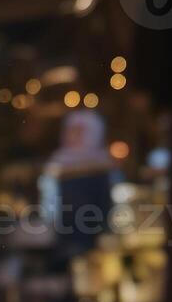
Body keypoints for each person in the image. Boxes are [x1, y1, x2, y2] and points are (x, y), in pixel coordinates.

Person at [43, 110, 117, 261]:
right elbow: (49, 201)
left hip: (95, 235)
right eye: (72, 131)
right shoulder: (58, 163)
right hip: (65, 235)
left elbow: (109, 201)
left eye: (80, 131)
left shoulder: (102, 163)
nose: (74, 136)